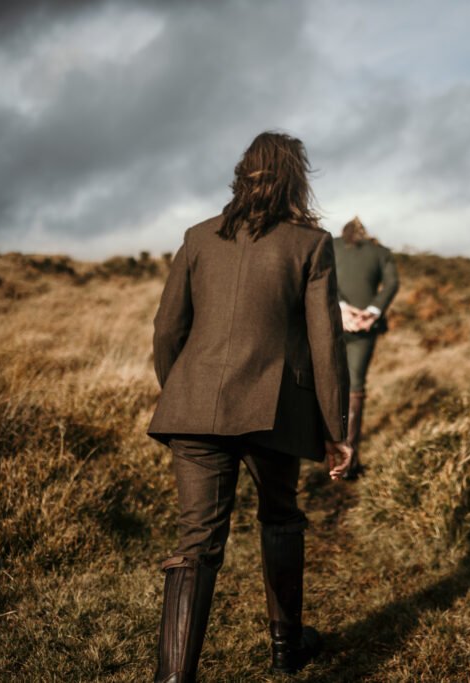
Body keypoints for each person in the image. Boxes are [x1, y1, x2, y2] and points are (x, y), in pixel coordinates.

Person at [146, 131, 353, 682]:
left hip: (194, 408)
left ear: (244, 175)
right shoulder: (310, 244)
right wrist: (336, 429)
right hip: (275, 410)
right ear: (295, 180)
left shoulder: (197, 237)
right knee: (281, 518)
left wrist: (182, 394)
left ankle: (173, 678)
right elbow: (326, 342)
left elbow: (166, 330)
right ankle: (287, 649)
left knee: (195, 544)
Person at [332, 217, 399, 479]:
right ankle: (348, 461)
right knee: (355, 388)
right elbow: (392, 283)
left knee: (323, 381)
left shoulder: (329, 246)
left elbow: (319, 275)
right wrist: (372, 312)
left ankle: (321, 451)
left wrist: (340, 306)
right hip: (364, 327)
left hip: (330, 322)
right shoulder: (381, 252)